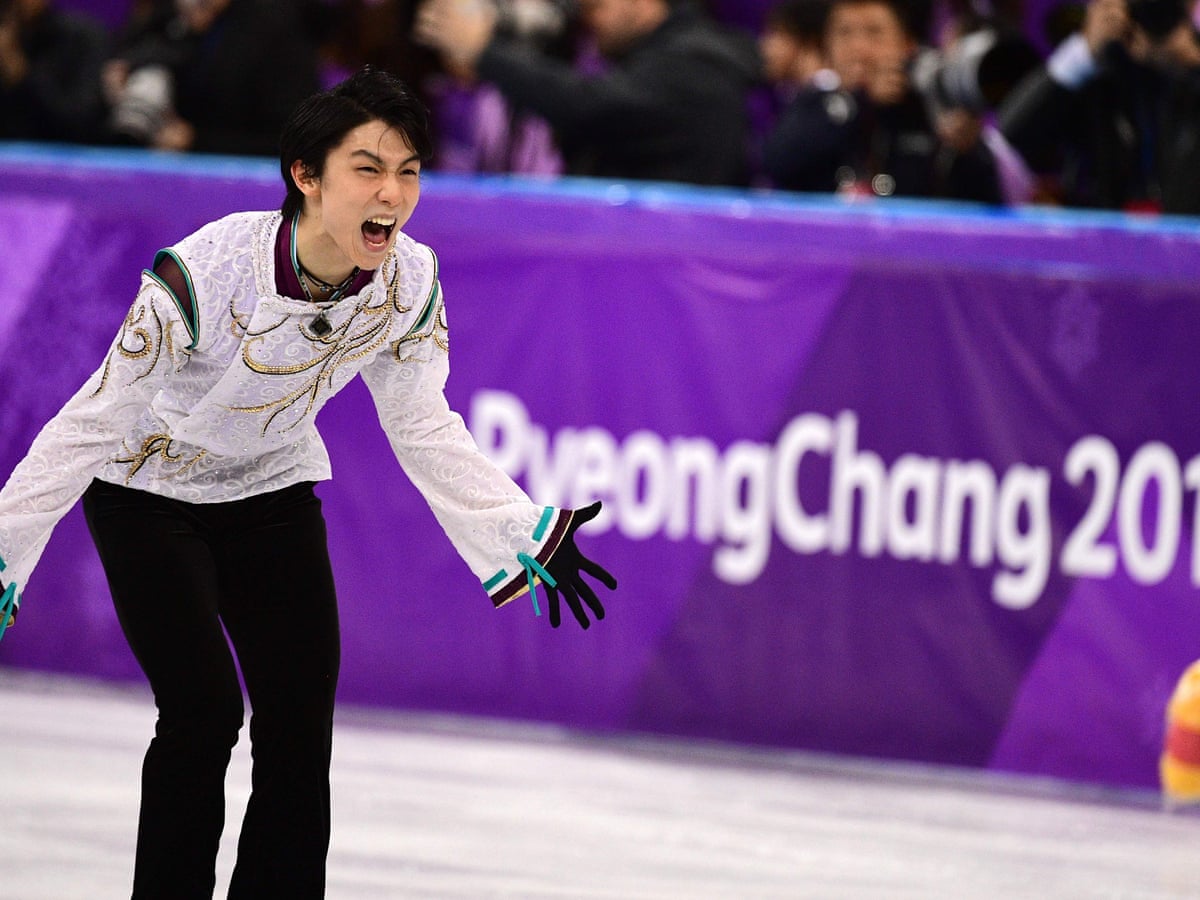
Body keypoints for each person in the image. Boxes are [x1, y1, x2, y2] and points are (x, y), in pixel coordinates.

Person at [0, 66, 616, 899]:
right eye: (368, 168)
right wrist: (7, 540)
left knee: (298, 727)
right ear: (306, 176)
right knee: (204, 711)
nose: (392, 193)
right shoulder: (209, 269)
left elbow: (422, 422)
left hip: (273, 493)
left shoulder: (407, 281)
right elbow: (94, 418)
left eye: (409, 171)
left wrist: (515, 524)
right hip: (147, 494)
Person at [414, 0, 762, 186]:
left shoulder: (692, 65)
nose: (589, 17)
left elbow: (587, 104)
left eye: (598, 6)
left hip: (669, 263)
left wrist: (484, 51)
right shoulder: (661, 58)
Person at [762, 0, 1004, 202]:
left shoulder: (932, 105)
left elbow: (986, 203)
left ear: (907, 43)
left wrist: (967, 150)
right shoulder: (816, 104)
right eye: (844, 32)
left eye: (874, 32)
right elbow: (778, 164)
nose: (858, 48)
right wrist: (860, 102)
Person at [997, 0, 1200, 214]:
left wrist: (1191, 60)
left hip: (1185, 227)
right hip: (1099, 225)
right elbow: (1013, 135)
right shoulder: (1094, 67)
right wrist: (1084, 52)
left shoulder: (1190, 60)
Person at [103, 0, 320, 154]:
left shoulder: (276, 30)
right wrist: (118, 78)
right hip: (154, 165)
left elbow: (292, 137)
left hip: (239, 178)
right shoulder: (166, 18)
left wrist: (196, 141)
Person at [0, 0, 110, 143]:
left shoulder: (82, 39)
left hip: (67, 150)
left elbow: (79, 123)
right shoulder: (8, 38)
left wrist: (21, 74)